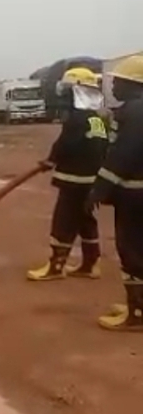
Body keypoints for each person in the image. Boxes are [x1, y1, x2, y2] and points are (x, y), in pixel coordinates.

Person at [27, 67, 109, 281]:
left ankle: (56, 267)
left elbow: (66, 144)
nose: (63, 95)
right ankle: (91, 265)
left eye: (67, 89)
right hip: (91, 180)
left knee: (63, 221)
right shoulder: (97, 117)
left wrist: (50, 161)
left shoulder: (76, 118)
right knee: (85, 220)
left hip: (74, 180)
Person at [90, 54, 143, 331]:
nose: (113, 87)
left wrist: (99, 189)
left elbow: (123, 155)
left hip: (135, 196)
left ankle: (137, 315)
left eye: (119, 82)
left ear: (134, 84)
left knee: (132, 250)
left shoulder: (134, 112)